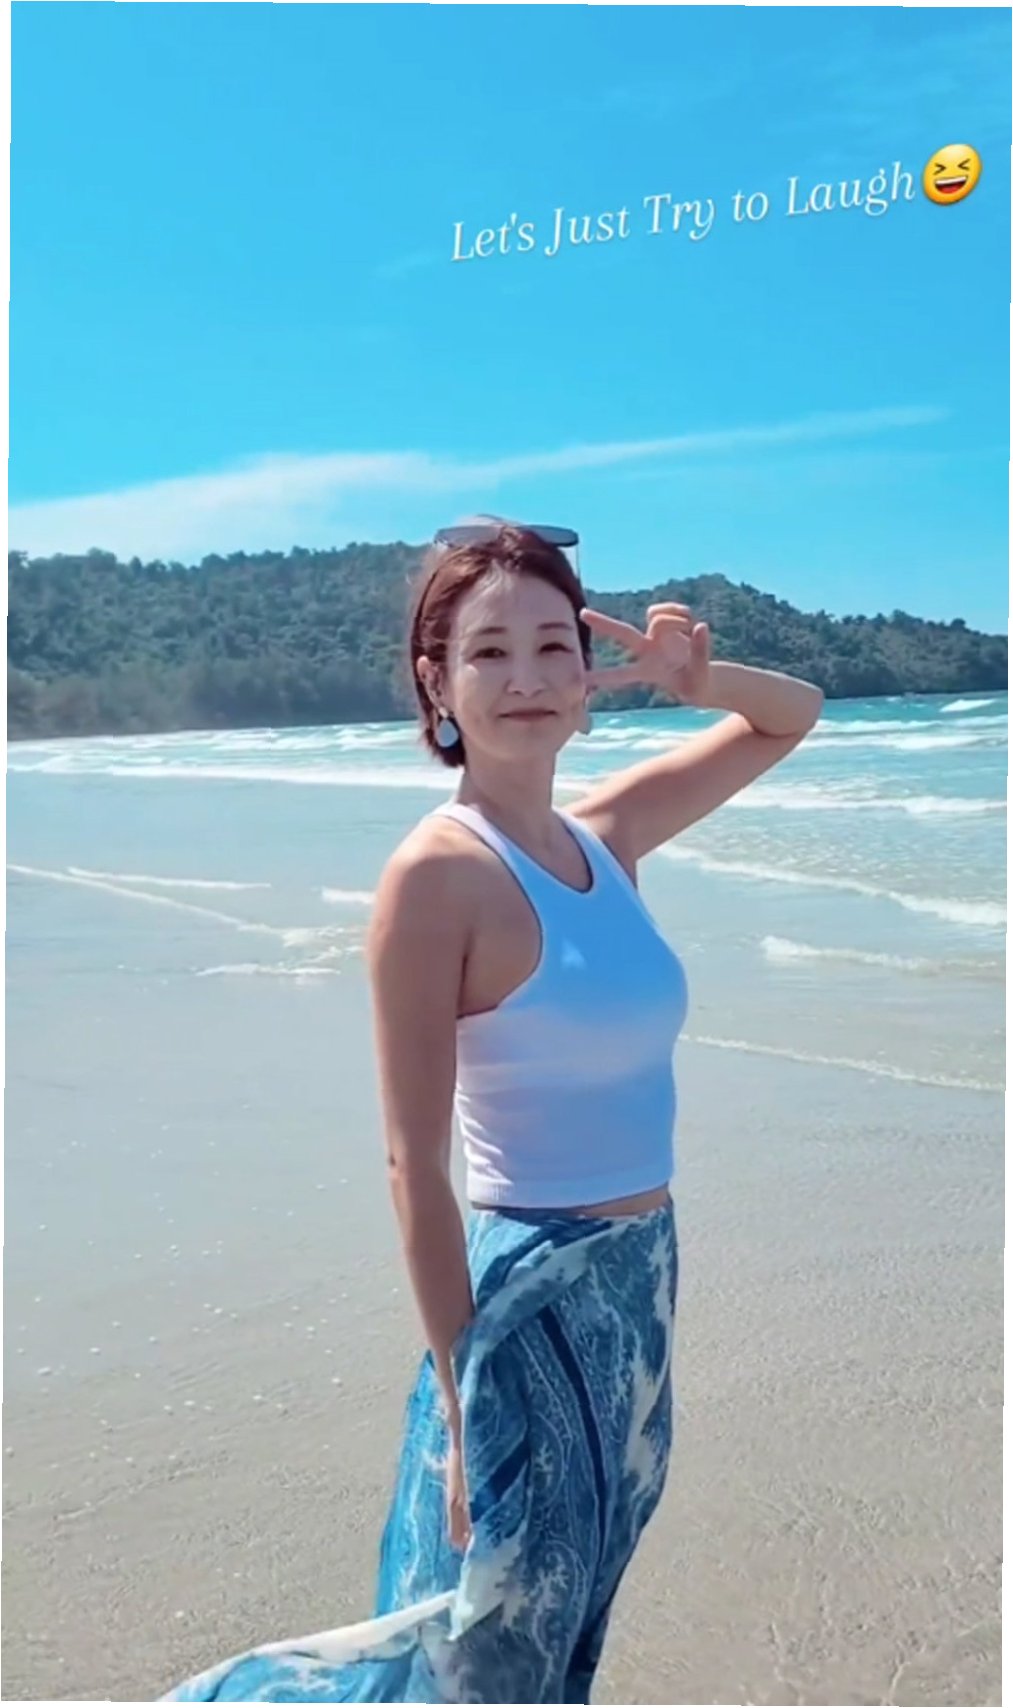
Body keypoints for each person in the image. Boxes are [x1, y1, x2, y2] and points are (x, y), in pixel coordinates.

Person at [166, 519, 824, 1704]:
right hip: (528, 1304)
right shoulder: (438, 876)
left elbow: (790, 715)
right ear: (437, 682)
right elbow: (411, 1166)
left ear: (587, 669)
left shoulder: (607, 838)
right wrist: (467, 1409)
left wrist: (694, 680)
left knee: (567, 1621)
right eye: (487, 652)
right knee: (483, 1647)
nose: (525, 677)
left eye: (552, 645)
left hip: (640, 1281)